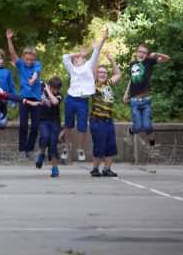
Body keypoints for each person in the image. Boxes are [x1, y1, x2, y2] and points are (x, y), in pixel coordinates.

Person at [61, 27, 109, 162]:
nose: (76, 60)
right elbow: (65, 57)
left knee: (82, 126)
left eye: (79, 59)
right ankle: (66, 146)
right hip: (71, 99)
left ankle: (80, 149)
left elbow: (96, 51)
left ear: (84, 60)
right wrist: (78, 53)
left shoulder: (88, 65)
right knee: (68, 125)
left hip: (82, 101)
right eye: (75, 59)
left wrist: (104, 38)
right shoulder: (72, 69)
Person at [123, 44, 171, 149]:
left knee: (147, 126)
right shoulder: (132, 64)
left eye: (144, 53)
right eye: (140, 51)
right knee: (137, 126)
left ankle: (152, 146)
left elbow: (167, 58)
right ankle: (130, 131)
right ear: (136, 52)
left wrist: (156, 54)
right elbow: (132, 79)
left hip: (146, 101)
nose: (141, 54)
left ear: (147, 55)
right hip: (134, 101)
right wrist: (126, 93)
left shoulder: (149, 62)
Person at [6, 29, 42, 159]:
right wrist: (9, 39)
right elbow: (12, 53)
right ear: (23, 58)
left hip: (36, 100)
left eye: (31, 60)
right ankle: (22, 150)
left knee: (35, 126)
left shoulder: (37, 64)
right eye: (27, 59)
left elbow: (36, 74)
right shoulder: (20, 65)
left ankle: (30, 150)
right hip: (24, 99)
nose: (29, 62)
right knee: (23, 126)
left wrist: (32, 80)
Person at [90, 52, 123, 177]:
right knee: (100, 144)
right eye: (100, 72)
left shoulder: (108, 84)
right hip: (98, 120)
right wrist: (97, 55)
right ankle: (95, 169)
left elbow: (118, 74)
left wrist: (111, 60)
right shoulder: (93, 84)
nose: (102, 74)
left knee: (111, 145)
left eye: (104, 72)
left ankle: (107, 169)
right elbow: (93, 70)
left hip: (109, 121)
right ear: (96, 75)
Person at [33, 77, 64, 178]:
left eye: (54, 89)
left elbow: (54, 102)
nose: (51, 89)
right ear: (48, 84)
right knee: (45, 137)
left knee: (53, 144)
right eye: (50, 87)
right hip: (43, 121)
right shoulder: (43, 86)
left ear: (58, 89)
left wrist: (47, 90)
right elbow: (29, 74)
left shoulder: (59, 96)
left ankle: (55, 168)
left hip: (55, 122)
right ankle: (41, 154)